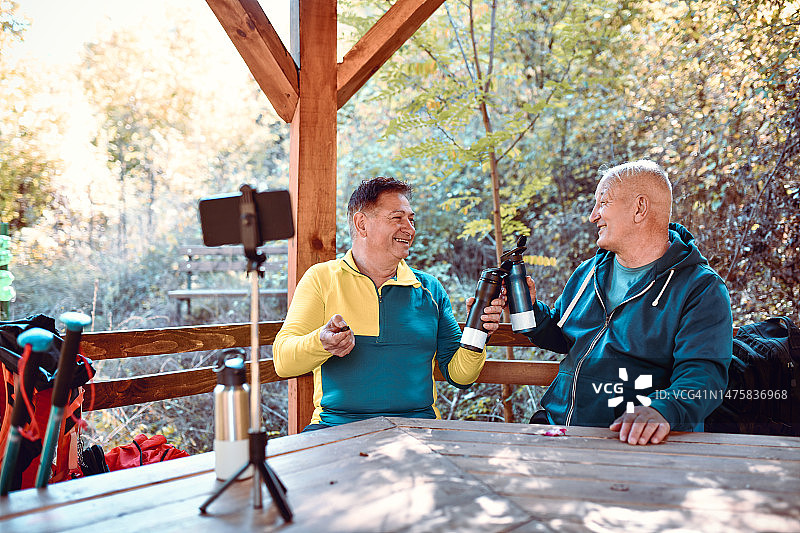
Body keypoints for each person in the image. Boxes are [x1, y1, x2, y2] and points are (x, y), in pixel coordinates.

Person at [524, 160, 732, 445]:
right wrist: (529, 310)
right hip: (557, 427)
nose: (593, 216)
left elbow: (703, 374)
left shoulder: (699, 288)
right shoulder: (588, 273)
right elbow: (563, 335)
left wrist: (663, 410)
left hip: (631, 440)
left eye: (603, 203)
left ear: (639, 208)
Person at [273, 177, 505, 430]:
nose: (410, 228)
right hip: (335, 427)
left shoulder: (429, 289)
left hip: (418, 428)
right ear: (361, 224)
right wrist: (321, 342)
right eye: (397, 218)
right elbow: (284, 362)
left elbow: (460, 376)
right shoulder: (322, 279)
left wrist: (478, 332)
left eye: (411, 219)